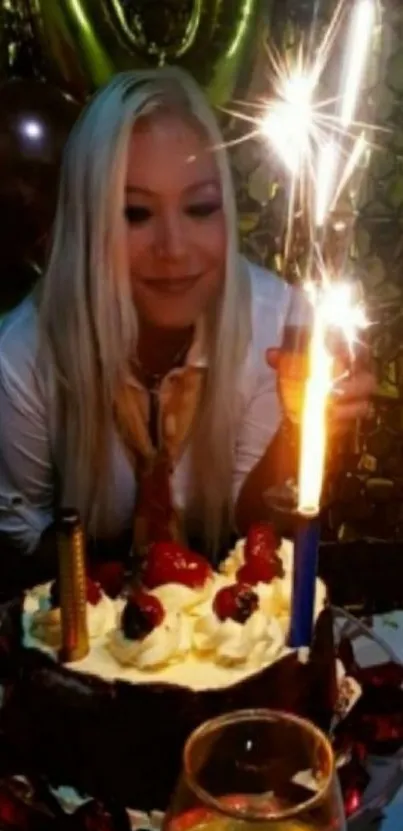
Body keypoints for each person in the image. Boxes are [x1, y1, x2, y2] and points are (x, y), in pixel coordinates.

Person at [0, 66, 375, 581]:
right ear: (89, 224)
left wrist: (301, 430)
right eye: (135, 213)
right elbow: (23, 541)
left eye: (200, 208)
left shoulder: (281, 324)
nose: (174, 249)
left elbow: (254, 532)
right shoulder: (22, 353)